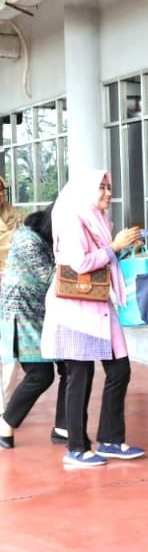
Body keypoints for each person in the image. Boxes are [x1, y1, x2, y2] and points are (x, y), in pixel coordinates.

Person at [41, 167, 146, 468]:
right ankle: (76, 448)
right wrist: (114, 246)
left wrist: (121, 249)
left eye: (109, 187)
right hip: (75, 308)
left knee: (119, 369)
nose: (108, 193)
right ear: (86, 190)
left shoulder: (99, 219)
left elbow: (105, 259)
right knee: (80, 376)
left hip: (99, 304)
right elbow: (80, 263)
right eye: (101, 187)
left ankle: (111, 439)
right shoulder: (73, 219)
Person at [0, 209, 67, 449]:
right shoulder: (28, 238)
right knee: (40, 374)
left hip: (45, 313)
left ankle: (63, 428)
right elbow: (49, 276)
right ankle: (5, 423)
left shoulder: (43, 238)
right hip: (22, 314)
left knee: (71, 367)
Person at [0, 174, 25, 412]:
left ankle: (3, 404)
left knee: (10, 349)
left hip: (12, 287)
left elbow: (24, 240)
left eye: (1, 190)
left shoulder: (14, 214)